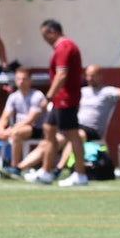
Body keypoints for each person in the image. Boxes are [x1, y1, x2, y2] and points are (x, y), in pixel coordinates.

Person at [2, 64, 120, 179]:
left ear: (100, 76)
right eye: (87, 75)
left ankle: (58, 169)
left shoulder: (107, 91)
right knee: (49, 141)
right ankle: (19, 168)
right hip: (74, 125)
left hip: (92, 130)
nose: (89, 78)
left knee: (75, 135)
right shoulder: (82, 91)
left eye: (93, 75)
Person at [23, 20, 87, 187]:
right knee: (49, 130)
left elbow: (61, 75)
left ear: (53, 32)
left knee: (72, 135)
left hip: (65, 98)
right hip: (60, 99)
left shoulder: (64, 47)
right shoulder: (62, 47)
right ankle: (45, 171)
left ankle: (80, 174)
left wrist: (49, 96)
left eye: (45, 35)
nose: (45, 39)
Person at [0, 67, 46, 178]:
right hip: (15, 127)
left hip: (34, 129)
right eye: (18, 79)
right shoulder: (13, 96)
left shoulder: (37, 95)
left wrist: (11, 130)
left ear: (30, 80)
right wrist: (0, 129)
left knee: (16, 133)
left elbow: (31, 119)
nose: (21, 82)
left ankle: (14, 168)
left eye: (24, 79)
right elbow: (5, 116)